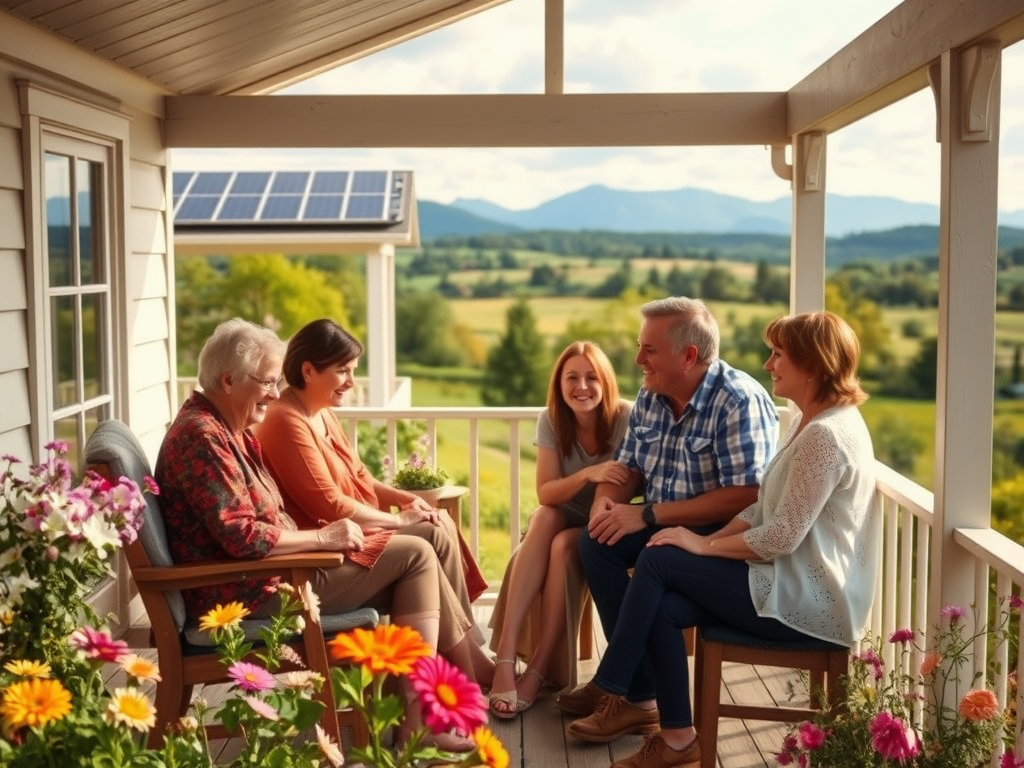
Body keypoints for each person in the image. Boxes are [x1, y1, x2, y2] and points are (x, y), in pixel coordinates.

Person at [566, 310, 879, 768]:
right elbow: (762, 510)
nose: (769, 364)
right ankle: (677, 738)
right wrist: (693, 537)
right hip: (780, 580)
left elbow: (781, 537)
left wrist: (702, 544)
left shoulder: (826, 436)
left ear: (812, 364)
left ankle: (612, 682)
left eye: (778, 355)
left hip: (808, 602)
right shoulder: (808, 421)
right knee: (663, 601)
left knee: (659, 560)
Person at [154, 317, 479, 750]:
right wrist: (324, 540)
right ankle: (425, 717)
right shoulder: (202, 436)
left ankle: (422, 714)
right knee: (416, 556)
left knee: (417, 551)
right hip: (248, 593)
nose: (274, 391)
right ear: (229, 380)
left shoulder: (229, 430)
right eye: (267, 382)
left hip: (274, 573)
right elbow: (243, 537)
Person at [557, 296, 779, 723]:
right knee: (596, 541)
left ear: (689, 355)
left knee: (656, 556)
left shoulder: (737, 400)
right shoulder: (653, 394)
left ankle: (614, 684)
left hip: (715, 531)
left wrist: (649, 515)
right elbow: (629, 466)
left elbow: (748, 494)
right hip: (660, 516)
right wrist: (607, 500)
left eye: (649, 349)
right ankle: (638, 693)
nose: (639, 358)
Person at [250, 318, 493, 686]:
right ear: (309, 371)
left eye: (353, 371)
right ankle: (466, 663)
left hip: (351, 534)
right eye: (343, 371)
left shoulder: (322, 414)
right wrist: (398, 521)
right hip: (327, 547)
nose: (351, 381)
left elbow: (362, 476)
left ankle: (465, 648)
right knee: (424, 541)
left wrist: (404, 498)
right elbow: (329, 505)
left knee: (438, 525)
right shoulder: (286, 421)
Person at [486, 341, 632, 719]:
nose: (581, 387)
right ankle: (504, 658)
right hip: (559, 514)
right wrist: (587, 472)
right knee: (545, 517)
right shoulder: (551, 420)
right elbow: (546, 492)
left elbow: (621, 487)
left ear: (605, 382)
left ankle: (538, 667)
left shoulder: (625, 418)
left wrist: (596, 482)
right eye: (572, 378)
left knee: (564, 544)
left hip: (602, 521)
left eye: (591, 378)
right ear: (559, 383)